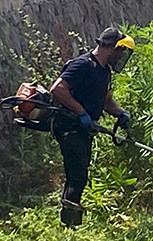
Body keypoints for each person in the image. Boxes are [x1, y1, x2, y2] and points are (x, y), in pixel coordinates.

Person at [49, 26, 135, 227]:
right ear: (112, 48)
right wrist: (81, 113)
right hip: (69, 127)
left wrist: (120, 113)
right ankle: (69, 226)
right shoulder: (83, 65)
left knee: (80, 174)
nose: (122, 57)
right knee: (77, 176)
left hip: (83, 130)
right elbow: (58, 89)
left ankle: (70, 222)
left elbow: (106, 101)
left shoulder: (104, 71)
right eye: (121, 52)